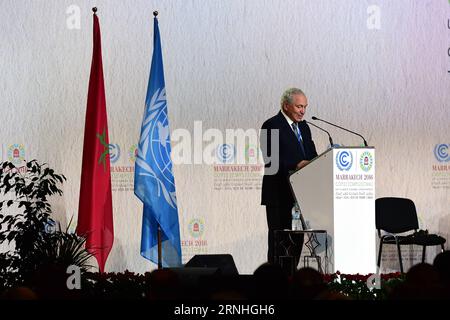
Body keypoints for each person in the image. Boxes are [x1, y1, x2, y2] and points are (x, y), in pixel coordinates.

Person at [260, 88, 318, 266]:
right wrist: (296, 164)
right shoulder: (271, 125)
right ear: (286, 106)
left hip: (300, 195)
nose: (303, 111)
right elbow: (271, 159)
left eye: (305, 107)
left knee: (296, 243)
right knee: (280, 244)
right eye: (299, 106)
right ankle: (275, 285)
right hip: (279, 194)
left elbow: (312, 155)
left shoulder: (305, 127)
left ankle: (292, 281)